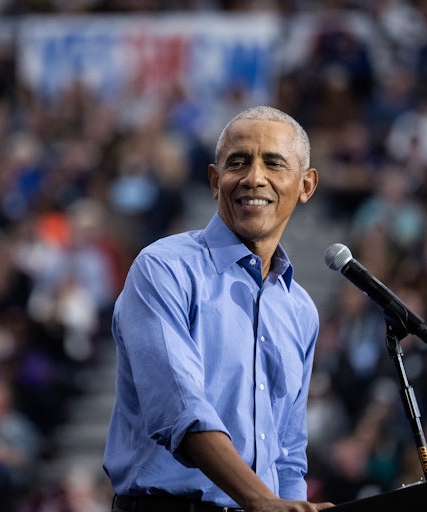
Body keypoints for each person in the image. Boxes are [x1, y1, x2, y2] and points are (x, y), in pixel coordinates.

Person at [103, 106, 334, 512]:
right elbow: (179, 412)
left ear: (306, 185)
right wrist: (261, 500)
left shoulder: (301, 310)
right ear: (214, 180)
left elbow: (289, 455)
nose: (253, 177)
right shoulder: (163, 268)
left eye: (274, 163)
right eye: (238, 163)